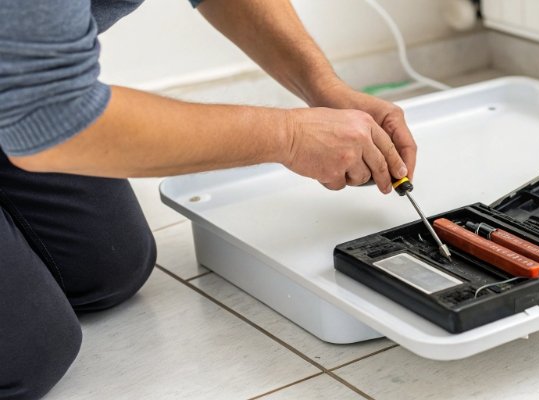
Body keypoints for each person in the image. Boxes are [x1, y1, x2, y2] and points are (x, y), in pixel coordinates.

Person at [0, 0, 417, 398]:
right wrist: (288, 137)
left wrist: (323, 87)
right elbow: (52, 116)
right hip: (37, 102)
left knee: (107, 266)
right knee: (28, 354)